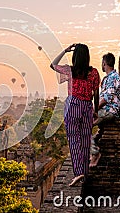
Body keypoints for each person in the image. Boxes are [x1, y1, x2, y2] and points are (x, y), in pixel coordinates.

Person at [50, 43, 100, 186]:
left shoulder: (70, 70)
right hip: (87, 106)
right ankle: (84, 172)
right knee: (85, 140)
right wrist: (95, 110)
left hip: (73, 105)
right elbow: (96, 93)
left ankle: (78, 173)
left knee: (74, 140)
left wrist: (64, 50)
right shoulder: (94, 72)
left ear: (75, 56)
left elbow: (52, 65)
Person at [89, 53, 120, 167]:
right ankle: (92, 147)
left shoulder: (113, 78)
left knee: (83, 124)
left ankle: (95, 153)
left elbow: (106, 99)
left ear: (104, 63)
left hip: (109, 110)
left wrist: (94, 110)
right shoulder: (109, 78)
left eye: (102, 63)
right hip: (105, 110)